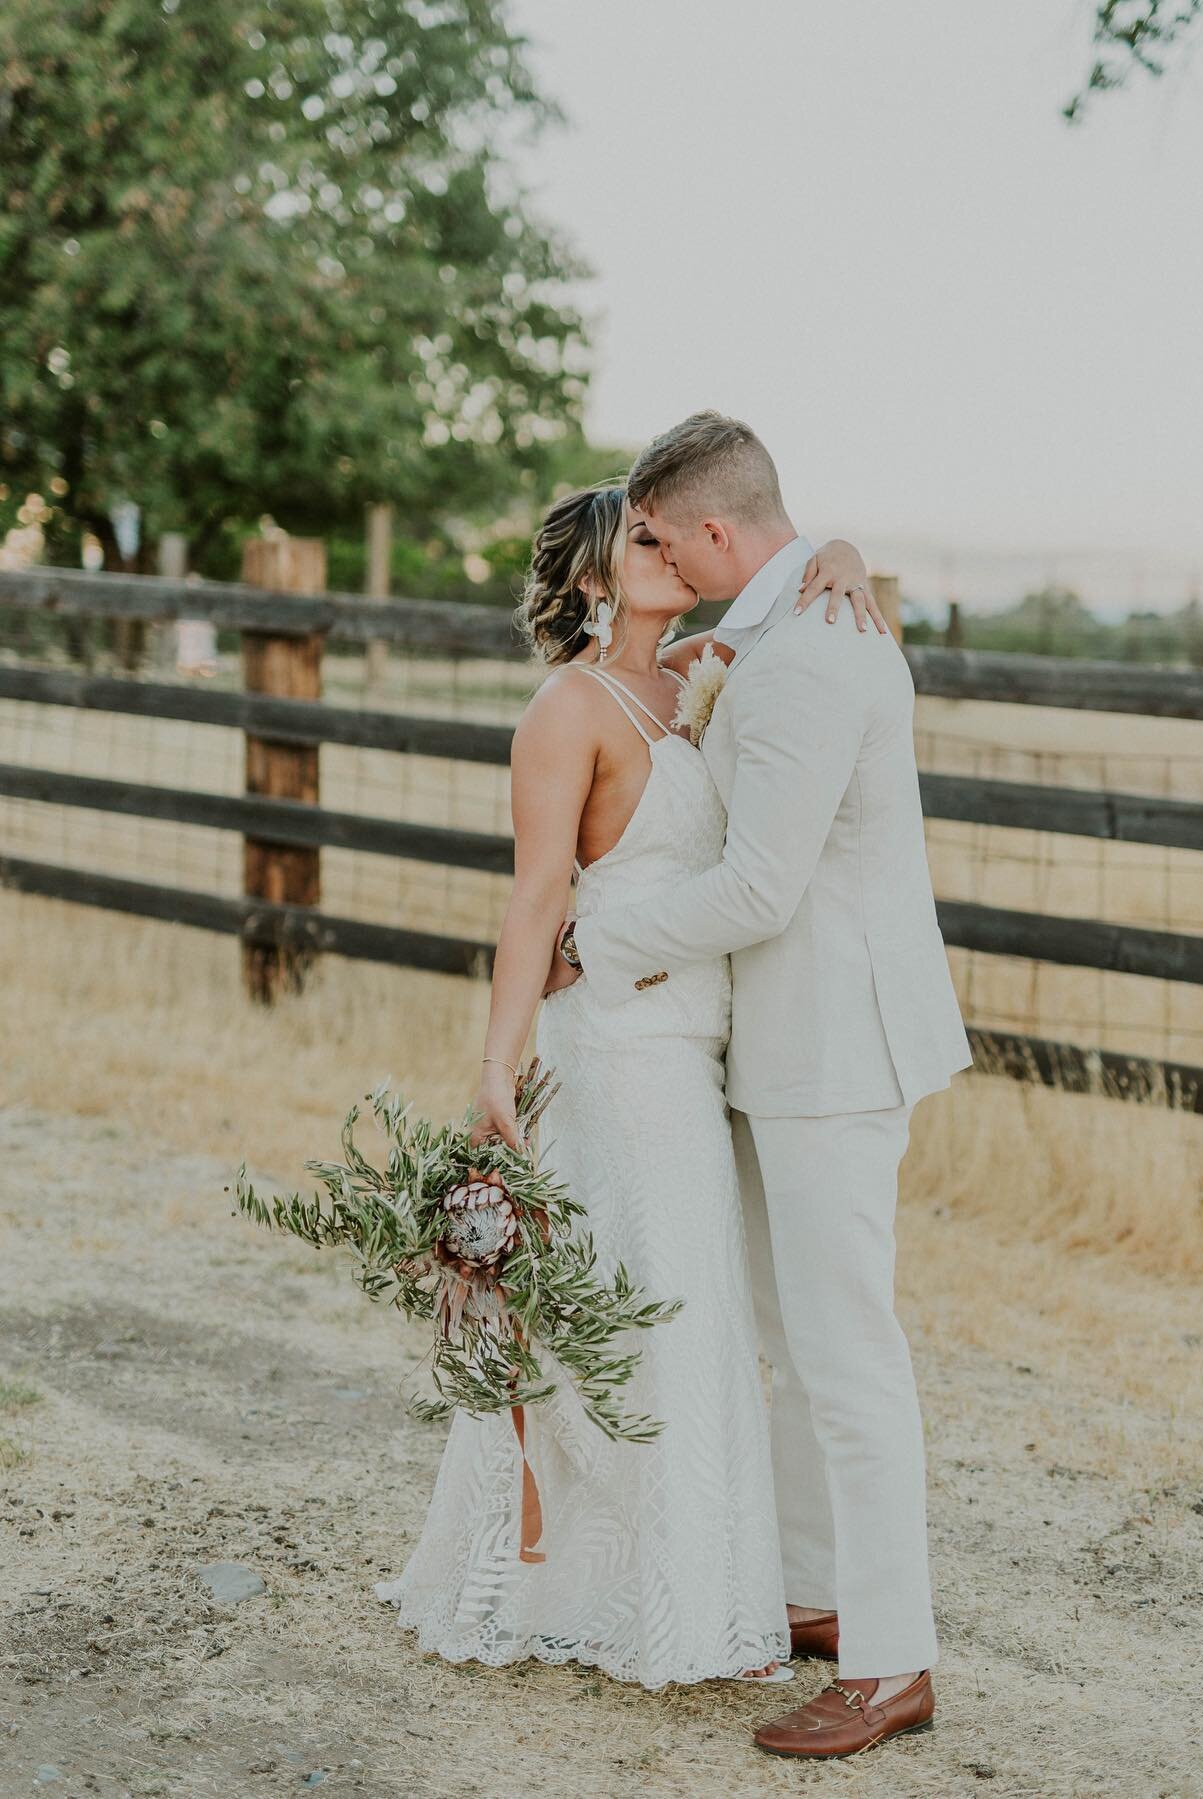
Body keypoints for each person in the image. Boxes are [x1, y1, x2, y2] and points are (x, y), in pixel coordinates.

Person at [375, 482, 877, 1689]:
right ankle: (584, 1586)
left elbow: (802, 610)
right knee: (637, 1313)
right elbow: (536, 895)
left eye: (670, 531)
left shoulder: (695, 676)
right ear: (594, 575)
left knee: (687, 1308)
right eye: (640, 538)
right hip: (608, 1048)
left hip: (693, 1054)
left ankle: (685, 1585)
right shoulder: (569, 707)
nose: (666, 547)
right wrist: (497, 1069)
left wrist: (844, 552)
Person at [548, 412, 972, 1758]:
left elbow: (756, 887)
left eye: (661, 534)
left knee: (849, 1357)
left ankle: (892, 1661)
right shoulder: (783, 628)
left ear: (717, 533)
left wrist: (599, 938)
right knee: (797, 1339)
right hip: (783, 1046)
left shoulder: (803, 664)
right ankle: (819, 1594)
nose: (648, 553)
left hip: (832, 1052)